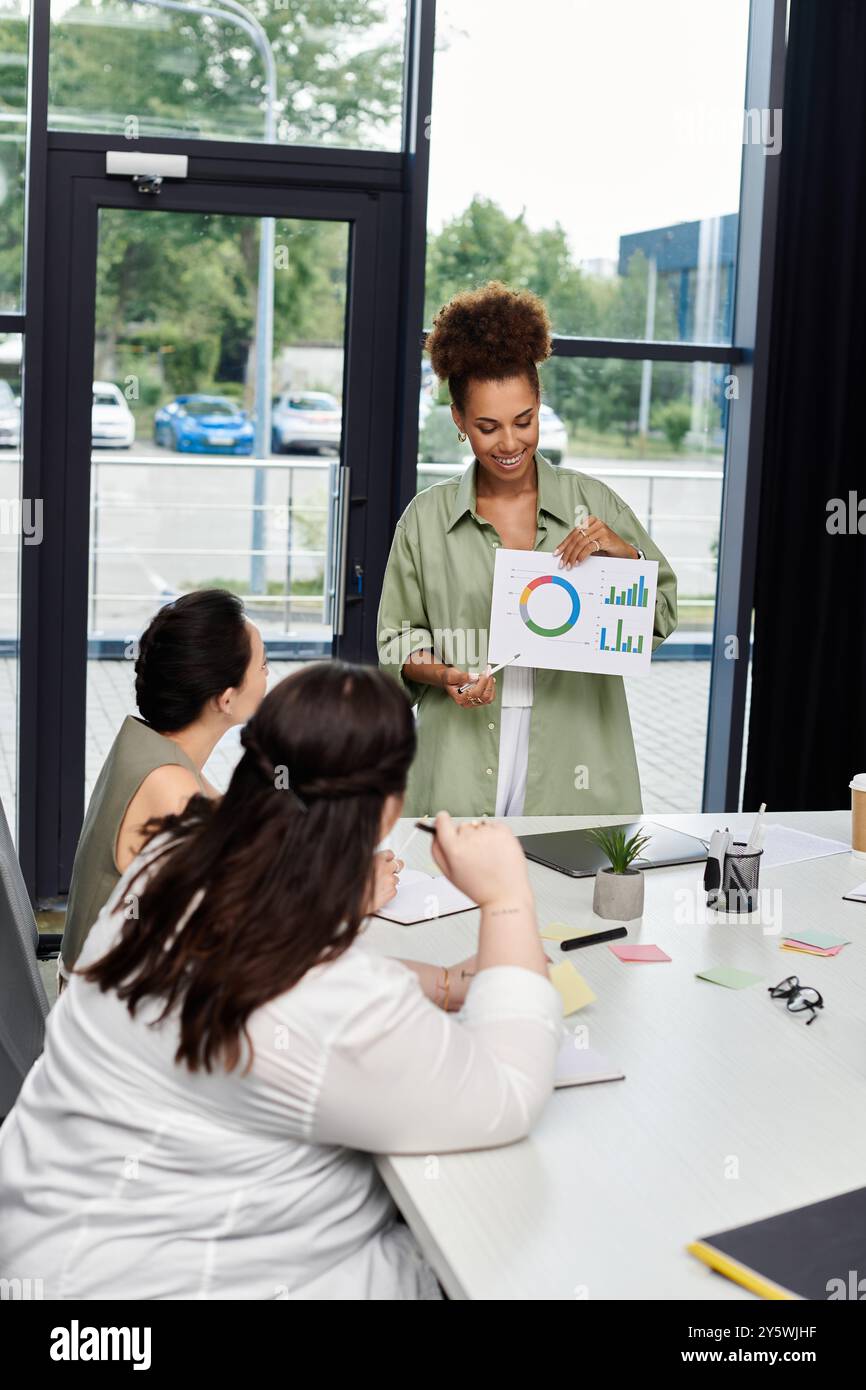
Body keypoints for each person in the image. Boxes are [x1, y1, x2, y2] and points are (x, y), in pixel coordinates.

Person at [0, 663, 561, 1300]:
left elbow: (271, 971)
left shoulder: (174, 859)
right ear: (388, 809)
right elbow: (508, 1093)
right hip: (149, 1289)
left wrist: (439, 984)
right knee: (491, 1244)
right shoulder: (328, 1002)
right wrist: (506, 896)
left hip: (45, 1244)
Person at [377, 281, 678, 817]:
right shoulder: (425, 521)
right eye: (487, 427)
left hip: (575, 762)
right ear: (459, 421)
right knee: (452, 899)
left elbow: (660, 620)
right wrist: (445, 675)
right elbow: (399, 639)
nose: (510, 444)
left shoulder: (593, 502)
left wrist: (626, 558)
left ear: (539, 405)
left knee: (568, 898)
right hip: (459, 762)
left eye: (524, 421)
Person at [58, 589, 269, 986]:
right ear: (226, 699)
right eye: (263, 665)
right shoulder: (171, 787)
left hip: (117, 984)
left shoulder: (152, 743)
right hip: (111, 1015)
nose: (268, 675)